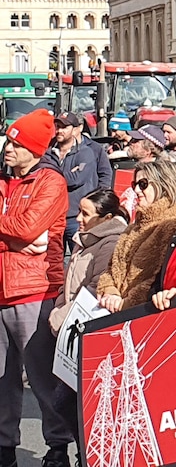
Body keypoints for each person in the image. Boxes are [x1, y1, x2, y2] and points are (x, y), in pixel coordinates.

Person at [0, 109, 73, 467]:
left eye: (16, 143)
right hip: (2, 288)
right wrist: (11, 240)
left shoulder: (50, 182)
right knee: (2, 380)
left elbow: (27, 229)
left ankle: (57, 447)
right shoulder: (3, 179)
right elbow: (20, 234)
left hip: (34, 291)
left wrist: (19, 238)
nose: (8, 148)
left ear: (33, 149)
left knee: (42, 378)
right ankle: (4, 447)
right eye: (8, 141)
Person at [48, 189, 128, 455]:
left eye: (86, 213)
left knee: (73, 404)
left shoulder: (110, 242)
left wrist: (62, 316)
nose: (79, 218)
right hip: (69, 324)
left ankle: (89, 455)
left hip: (90, 330)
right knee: (66, 403)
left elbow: (95, 288)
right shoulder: (84, 239)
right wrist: (59, 306)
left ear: (105, 218)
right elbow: (69, 281)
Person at [97, 159, 176, 312]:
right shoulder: (133, 227)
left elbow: (155, 280)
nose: (137, 190)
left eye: (143, 184)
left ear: (163, 185)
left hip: (141, 315)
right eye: (134, 185)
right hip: (114, 310)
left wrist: (125, 305)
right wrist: (109, 292)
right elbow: (111, 269)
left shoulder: (175, 223)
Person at [50, 111, 99, 253]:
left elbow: (76, 179)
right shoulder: (48, 152)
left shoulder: (85, 153)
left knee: (78, 258)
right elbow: (42, 179)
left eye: (64, 127)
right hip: (53, 217)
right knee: (52, 262)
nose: (59, 130)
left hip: (75, 218)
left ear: (75, 129)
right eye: (57, 126)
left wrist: (53, 176)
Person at [72, 119, 112, 189]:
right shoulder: (54, 147)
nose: (63, 131)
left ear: (80, 127)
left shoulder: (95, 148)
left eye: (70, 127)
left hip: (89, 195)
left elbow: (105, 173)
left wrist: (100, 194)